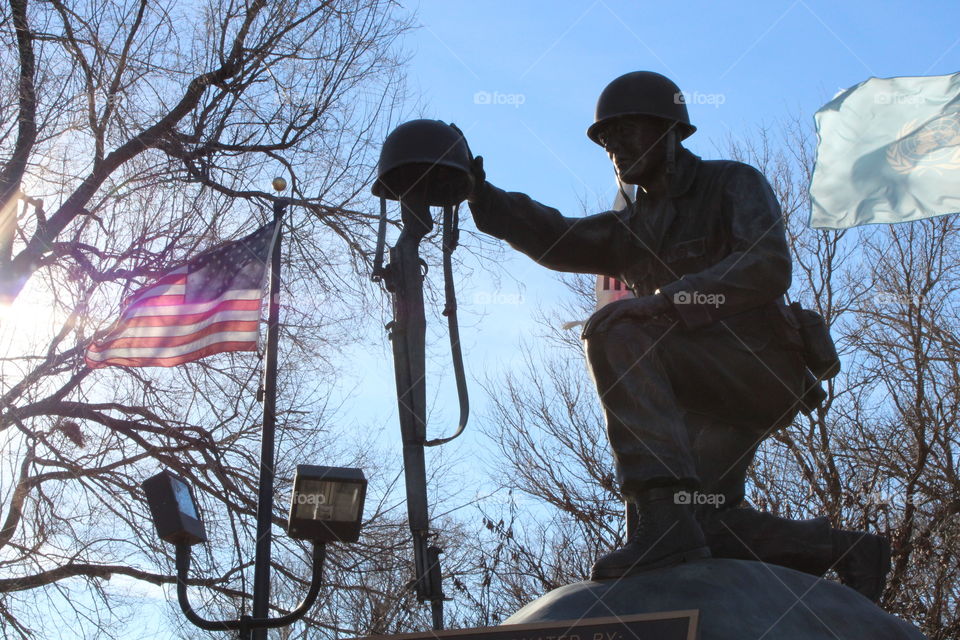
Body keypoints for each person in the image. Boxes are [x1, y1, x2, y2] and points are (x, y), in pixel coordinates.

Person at [466, 71, 891, 601]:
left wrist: (665, 303)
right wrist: (482, 196)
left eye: (627, 132)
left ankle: (663, 519)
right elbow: (559, 238)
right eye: (607, 140)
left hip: (758, 366)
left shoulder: (732, 182)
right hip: (695, 391)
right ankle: (843, 550)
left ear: (670, 131)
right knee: (704, 525)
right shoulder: (635, 224)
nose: (616, 147)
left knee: (614, 330)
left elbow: (766, 265)